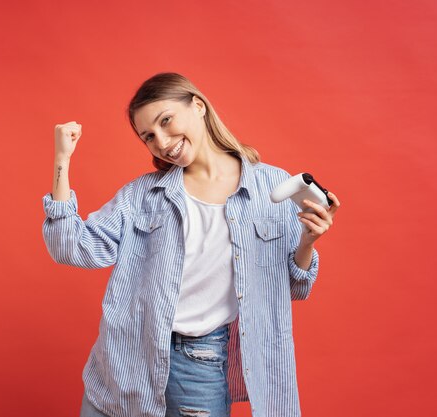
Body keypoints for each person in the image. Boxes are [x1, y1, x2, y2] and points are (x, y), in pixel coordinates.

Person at [42, 72, 340, 417]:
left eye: (166, 121)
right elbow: (71, 247)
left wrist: (308, 241)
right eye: (149, 137)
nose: (162, 141)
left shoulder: (271, 187)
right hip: (126, 361)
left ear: (198, 106)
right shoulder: (143, 195)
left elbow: (292, 288)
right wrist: (62, 160)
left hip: (201, 363)